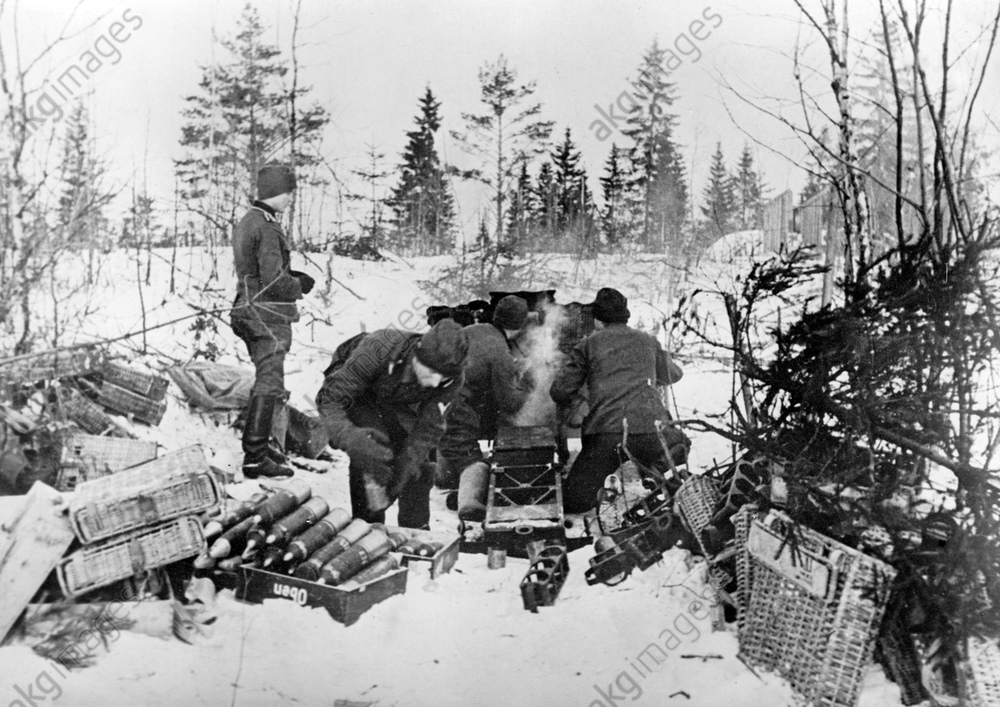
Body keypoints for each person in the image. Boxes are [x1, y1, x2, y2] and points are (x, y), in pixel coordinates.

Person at [316, 319, 468, 528]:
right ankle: (366, 526)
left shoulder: (452, 379)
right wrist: (351, 440)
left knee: (420, 464)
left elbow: (428, 430)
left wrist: (403, 471)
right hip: (360, 392)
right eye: (432, 373)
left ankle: (416, 532)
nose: (435, 383)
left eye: (442, 379)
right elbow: (330, 400)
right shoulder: (377, 348)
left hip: (399, 398)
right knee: (372, 447)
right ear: (416, 357)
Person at [550, 287, 685, 514]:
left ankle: (645, 478)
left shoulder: (588, 344)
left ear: (598, 320)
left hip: (606, 433)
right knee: (679, 443)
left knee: (576, 500)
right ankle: (654, 473)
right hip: (651, 430)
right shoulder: (647, 341)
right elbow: (673, 375)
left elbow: (560, 392)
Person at [230, 163, 315, 479]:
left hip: (247, 310)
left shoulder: (248, 221)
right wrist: (300, 284)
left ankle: (265, 452)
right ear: (277, 193)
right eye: (289, 192)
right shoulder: (267, 227)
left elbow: (257, 272)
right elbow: (273, 282)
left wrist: (290, 277)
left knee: (268, 382)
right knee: (270, 383)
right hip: (266, 316)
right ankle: (255, 457)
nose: (291, 198)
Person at [436, 295, 532, 521]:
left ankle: (445, 478)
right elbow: (509, 403)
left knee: (451, 440)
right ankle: (470, 507)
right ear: (518, 327)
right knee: (472, 460)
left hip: (434, 397)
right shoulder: (500, 351)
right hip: (456, 403)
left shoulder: (473, 329)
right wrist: (526, 385)